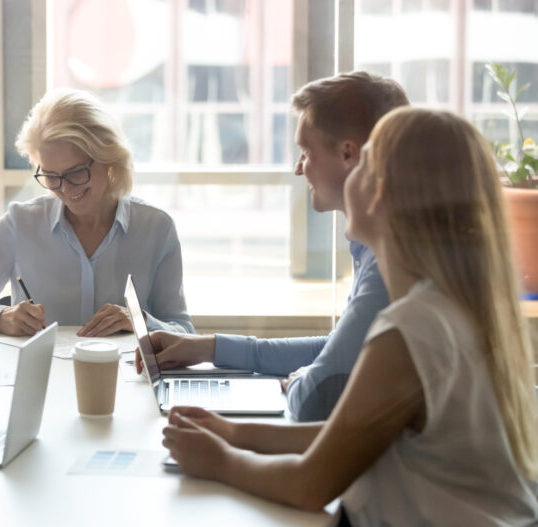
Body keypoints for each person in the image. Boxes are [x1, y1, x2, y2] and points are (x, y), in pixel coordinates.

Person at [162, 107, 538, 524]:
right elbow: (347, 437)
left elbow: (311, 484)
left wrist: (221, 462)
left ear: (381, 193)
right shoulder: (446, 306)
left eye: (365, 161)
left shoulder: (414, 327)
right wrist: (234, 434)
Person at [139, 72, 408, 420]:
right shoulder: (374, 247)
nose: (299, 169)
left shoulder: (390, 260)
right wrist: (207, 348)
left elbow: (314, 398)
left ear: (348, 154)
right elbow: (338, 348)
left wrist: (300, 380)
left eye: (306, 151)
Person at [0, 88, 194, 337]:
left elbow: (183, 330)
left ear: (108, 159)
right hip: (40, 383)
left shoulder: (156, 229)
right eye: (51, 176)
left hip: (124, 383)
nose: (65, 189)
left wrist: (139, 321)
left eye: (76, 173)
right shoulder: (21, 224)